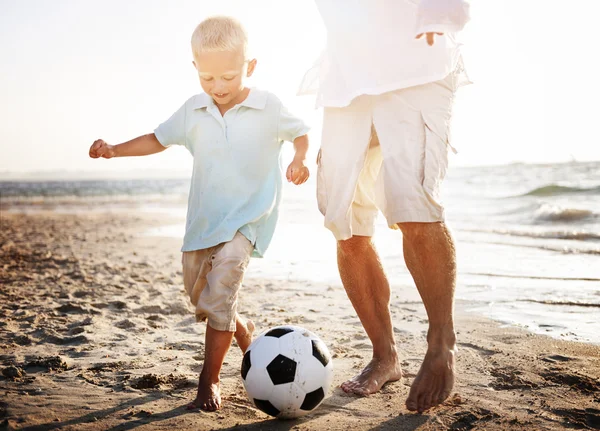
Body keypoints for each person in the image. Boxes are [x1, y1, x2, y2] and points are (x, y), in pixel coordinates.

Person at [89, 16, 310, 411]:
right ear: (195, 69)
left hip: (247, 222)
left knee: (220, 291)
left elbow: (300, 132)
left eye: (228, 76)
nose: (218, 87)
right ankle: (243, 330)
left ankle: (207, 382)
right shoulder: (194, 110)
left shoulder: (268, 106)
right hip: (203, 225)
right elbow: (157, 139)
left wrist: (299, 158)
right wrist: (114, 149)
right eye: (208, 78)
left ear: (250, 67)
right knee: (204, 300)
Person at [299, 0, 471, 413]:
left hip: (417, 68)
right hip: (346, 80)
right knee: (344, 224)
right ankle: (385, 355)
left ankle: (440, 344)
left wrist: (442, 10)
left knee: (415, 209)